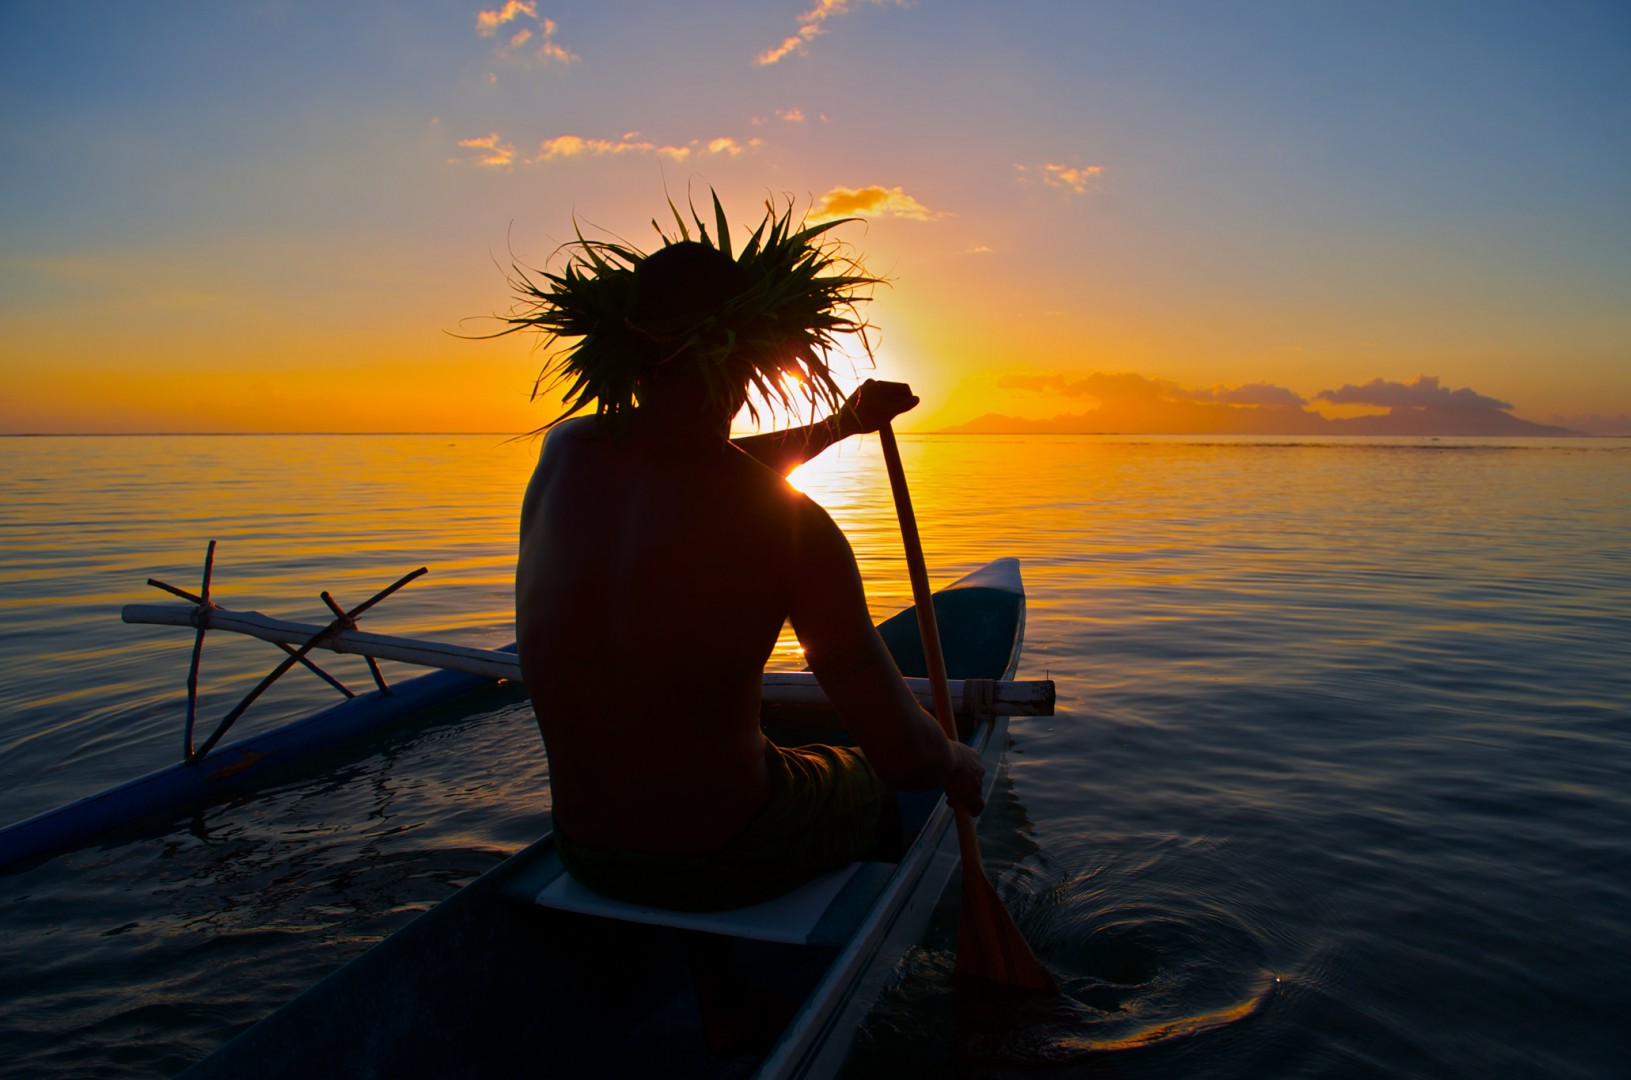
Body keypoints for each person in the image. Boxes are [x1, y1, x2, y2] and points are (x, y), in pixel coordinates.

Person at [513, 233, 985, 914]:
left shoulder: (563, 454)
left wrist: (842, 424)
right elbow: (907, 761)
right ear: (753, 356)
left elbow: (688, 460)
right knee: (875, 777)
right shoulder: (795, 528)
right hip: (722, 853)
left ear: (625, 350)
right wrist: (954, 760)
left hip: (583, 848)